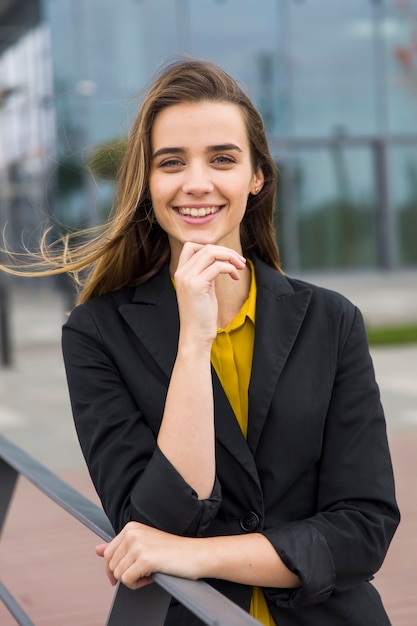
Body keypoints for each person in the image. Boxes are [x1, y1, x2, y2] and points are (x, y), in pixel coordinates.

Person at [1, 58, 399, 626]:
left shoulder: (332, 321)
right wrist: (194, 340)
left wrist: (196, 555)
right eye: (171, 162)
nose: (196, 182)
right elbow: (151, 518)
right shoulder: (95, 335)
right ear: (147, 183)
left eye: (222, 159)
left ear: (256, 176)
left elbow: (363, 529)